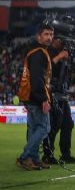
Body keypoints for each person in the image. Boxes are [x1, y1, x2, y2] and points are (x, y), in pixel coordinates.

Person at [16, 22, 54, 171]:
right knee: (44, 128)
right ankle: (25, 157)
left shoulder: (34, 52)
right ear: (39, 36)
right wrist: (43, 99)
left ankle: (34, 159)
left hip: (29, 97)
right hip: (36, 97)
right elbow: (37, 79)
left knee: (33, 129)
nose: (49, 37)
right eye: (46, 34)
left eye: (51, 34)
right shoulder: (39, 54)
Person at [41, 38, 75, 165]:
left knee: (68, 124)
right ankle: (48, 155)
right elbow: (46, 69)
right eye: (62, 40)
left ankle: (66, 154)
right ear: (56, 40)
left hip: (62, 95)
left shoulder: (65, 55)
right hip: (52, 94)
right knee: (53, 126)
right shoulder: (47, 51)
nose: (64, 44)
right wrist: (59, 56)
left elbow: (67, 79)